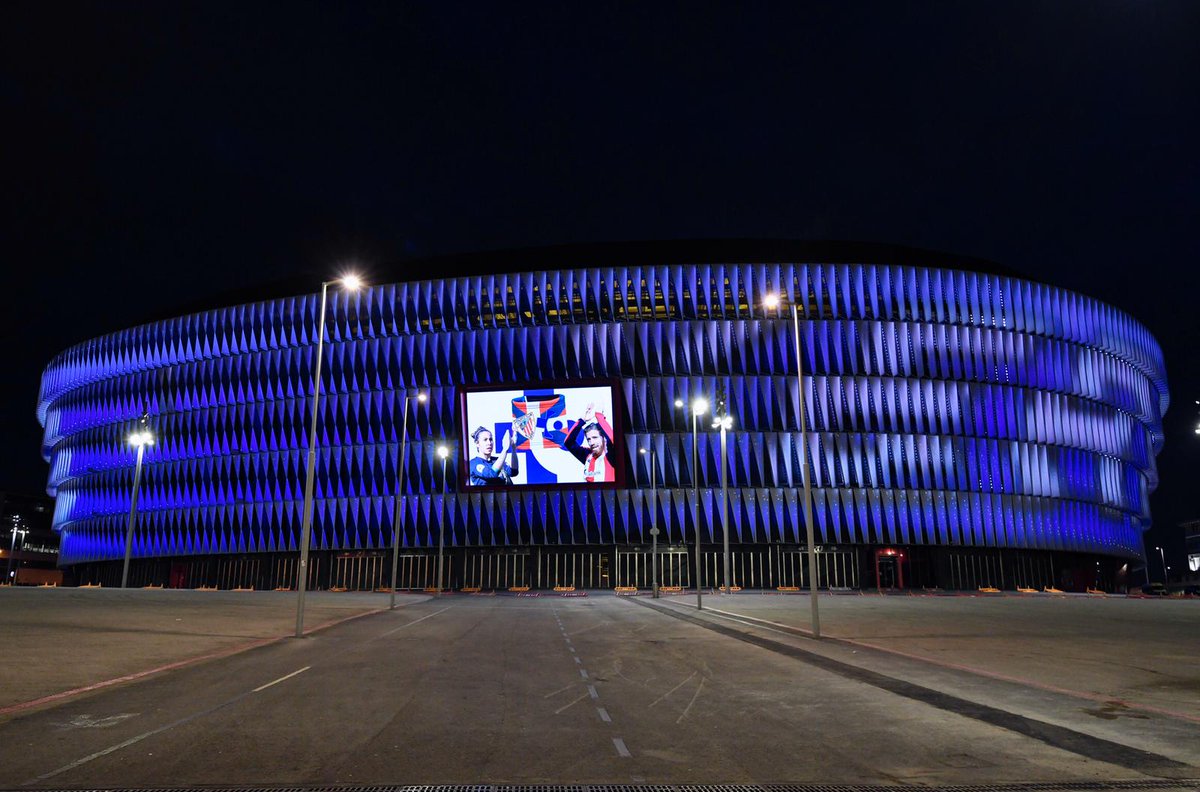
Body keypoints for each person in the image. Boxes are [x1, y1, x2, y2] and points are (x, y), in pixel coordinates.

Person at [562, 403, 616, 483]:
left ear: (603, 438)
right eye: (589, 439)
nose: (591, 442)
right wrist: (581, 421)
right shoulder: (587, 455)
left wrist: (599, 416)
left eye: (595, 437)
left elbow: (611, 438)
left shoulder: (611, 455)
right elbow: (568, 443)